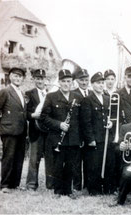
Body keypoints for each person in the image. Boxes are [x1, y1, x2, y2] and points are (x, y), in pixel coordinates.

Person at [40, 69, 82, 197]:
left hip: (73, 138)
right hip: (57, 137)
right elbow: (43, 117)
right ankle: (58, 190)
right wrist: (59, 125)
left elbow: (81, 119)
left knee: (71, 164)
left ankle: (68, 190)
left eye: (68, 81)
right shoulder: (51, 97)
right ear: (59, 82)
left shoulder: (78, 97)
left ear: (72, 82)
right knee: (57, 165)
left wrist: (80, 137)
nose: (66, 84)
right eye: (63, 81)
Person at [0, 67, 27, 193]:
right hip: (9, 131)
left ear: (22, 79)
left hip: (21, 131)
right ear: (10, 77)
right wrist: (1, 126)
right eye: (15, 76)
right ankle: (5, 185)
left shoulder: (21, 93)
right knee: (9, 157)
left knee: (19, 157)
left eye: (20, 76)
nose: (18, 78)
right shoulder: (5, 91)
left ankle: (15, 184)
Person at [80, 72, 116, 195]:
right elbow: (86, 122)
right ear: (92, 84)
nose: (101, 85)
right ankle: (94, 189)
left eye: (102, 83)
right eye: (98, 83)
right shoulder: (87, 100)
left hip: (106, 137)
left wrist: (111, 124)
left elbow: (111, 117)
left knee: (108, 163)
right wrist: (90, 139)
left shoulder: (107, 98)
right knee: (94, 164)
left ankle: (107, 188)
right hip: (95, 138)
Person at [25, 69, 54, 190]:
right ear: (34, 79)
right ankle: (31, 184)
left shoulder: (51, 94)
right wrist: (32, 115)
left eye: (42, 78)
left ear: (45, 79)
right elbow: (24, 112)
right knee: (34, 159)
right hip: (35, 131)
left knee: (50, 159)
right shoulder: (29, 93)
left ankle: (50, 184)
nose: (40, 80)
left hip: (49, 131)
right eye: (37, 78)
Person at [72, 68, 92, 190]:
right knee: (76, 161)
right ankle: (77, 185)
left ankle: (88, 185)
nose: (84, 83)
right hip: (78, 133)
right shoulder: (73, 94)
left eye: (86, 80)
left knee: (89, 160)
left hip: (89, 133)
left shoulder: (92, 93)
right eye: (81, 80)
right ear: (77, 81)